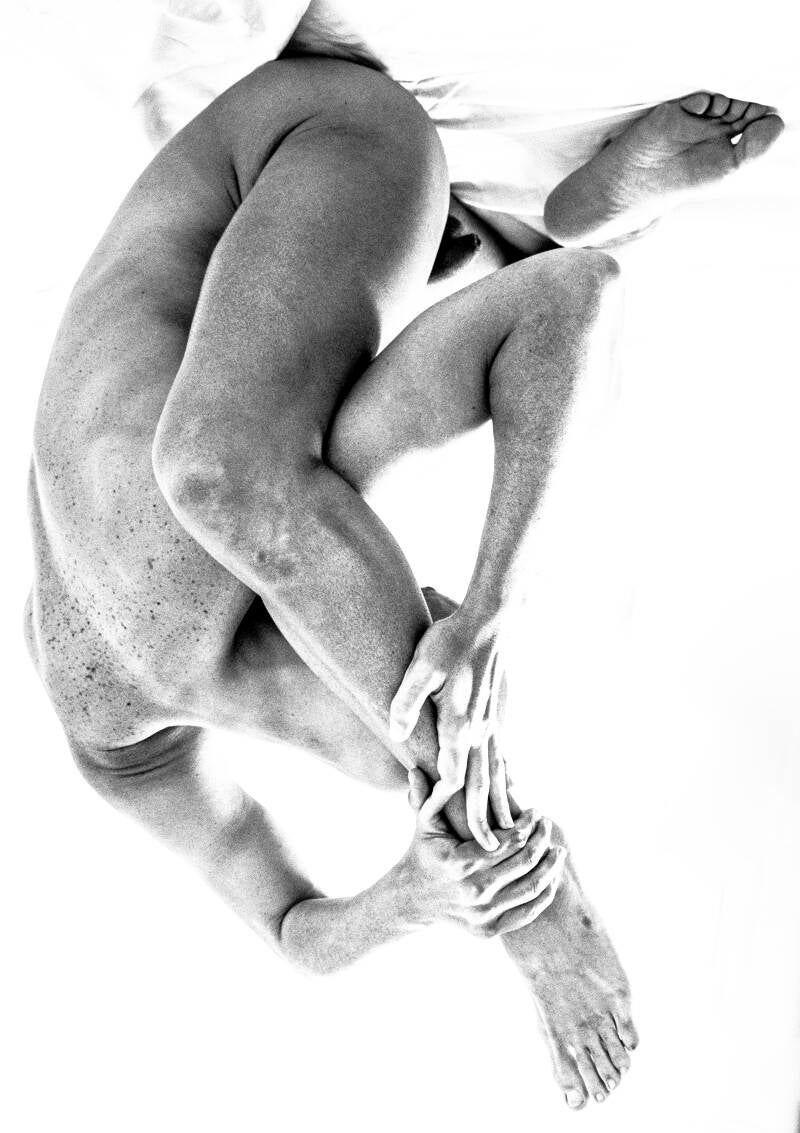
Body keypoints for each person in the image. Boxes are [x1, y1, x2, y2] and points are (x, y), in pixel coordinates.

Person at [25, 57, 782, 1111]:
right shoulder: (288, 511)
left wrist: (486, 623)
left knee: (214, 473)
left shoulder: (172, 589)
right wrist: (413, 896)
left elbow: (575, 298)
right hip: (291, 282)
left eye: (434, 748)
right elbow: (293, 935)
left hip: (308, 135)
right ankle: (556, 217)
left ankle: (530, 221)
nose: (413, 627)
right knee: (263, 466)